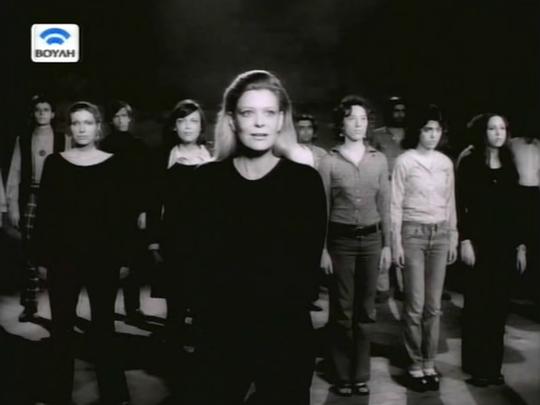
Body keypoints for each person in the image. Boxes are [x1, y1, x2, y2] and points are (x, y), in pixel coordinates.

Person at [185, 70, 327, 405]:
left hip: (284, 333)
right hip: (220, 333)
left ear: (281, 120)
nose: (260, 123)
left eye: (269, 112)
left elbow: (306, 269)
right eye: (248, 113)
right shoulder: (205, 181)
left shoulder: (303, 182)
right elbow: (194, 260)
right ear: (232, 120)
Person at [32, 101, 130, 405]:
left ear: (98, 127)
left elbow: (121, 217)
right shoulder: (55, 163)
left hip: (103, 258)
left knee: (104, 328)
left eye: (88, 122)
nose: (82, 128)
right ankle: (56, 394)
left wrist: (124, 258)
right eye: (76, 123)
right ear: (69, 128)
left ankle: (114, 395)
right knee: (61, 329)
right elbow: (45, 216)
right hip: (64, 258)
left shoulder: (114, 164)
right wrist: (41, 258)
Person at [318, 95, 391, 396]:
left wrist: (387, 245)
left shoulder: (379, 159)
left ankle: (360, 374)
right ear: (341, 124)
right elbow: (321, 209)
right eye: (351, 118)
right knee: (342, 310)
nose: (359, 123)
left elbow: (385, 205)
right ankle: (341, 374)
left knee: (366, 310)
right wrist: (323, 249)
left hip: (372, 240)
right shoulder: (329, 161)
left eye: (363, 118)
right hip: (341, 242)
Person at [391, 104, 457, 391]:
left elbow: (451, 202)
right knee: (415, 306)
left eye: (437, 130)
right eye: (427, 129)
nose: (433, 135)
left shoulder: (445, 163)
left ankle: (430, 362)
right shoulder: (404, 162)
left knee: (434, 306)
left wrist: (453, 235)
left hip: (440, 233)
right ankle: (414, 364)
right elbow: (395, 204)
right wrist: (396, 243)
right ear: (417, 131)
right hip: (413, 233)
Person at [457, 113, 526, 387]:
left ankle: (493, 366)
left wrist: (520, 246)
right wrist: (465, 240)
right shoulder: (470, 162)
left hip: (505, 245)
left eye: (502, 128)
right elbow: (461, 203)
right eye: (492, 128)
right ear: (482, 132)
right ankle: (477, 367)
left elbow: (517, 210)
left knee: (498, 306)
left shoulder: (509, 163)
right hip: (478, 244)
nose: (498, 133)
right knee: (478, 306)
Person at [147, 99, 212, 340]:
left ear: (201, 126)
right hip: (174, 240)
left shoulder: (213, 159)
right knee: (175, 304)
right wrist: (153, 242)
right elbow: (154, 203)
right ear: (174, 126)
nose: (187, 126)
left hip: (206, 241)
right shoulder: (163, 158)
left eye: (193, 121)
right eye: (182, 121)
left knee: (204, 305)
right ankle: (173, 352)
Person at [6, 95, 67, 322]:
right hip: (31, 197)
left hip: (57, 200)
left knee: (57, 250)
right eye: (38, 109)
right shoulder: (23, 140)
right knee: (30, 251)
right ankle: (29, 304)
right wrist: (13, 207)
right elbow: (14, 174)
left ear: (53, 114)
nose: (42, 113)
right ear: (33, 113)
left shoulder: (63, 139)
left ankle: (62, 306)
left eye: (46, 109)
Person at [101, 100, 150, 325]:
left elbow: (146, 182)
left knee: (133, 262)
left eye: (125, 116)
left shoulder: (138, 146)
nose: (122, 120)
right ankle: (106, 310)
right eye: (117, 116)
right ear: (111, 120)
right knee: (109, 261)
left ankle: (133, 309)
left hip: (132, 211)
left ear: (130, 119)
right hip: (109, 211)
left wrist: (143, 211)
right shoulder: (103, 146)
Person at [371, 96, 407, 303]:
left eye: (402, 110)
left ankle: (403, 285)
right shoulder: (378, 135)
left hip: (406, 191)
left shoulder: (411, 135)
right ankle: (382, 286)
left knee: (402, 235)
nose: (399, 114)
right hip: (385, 188)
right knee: (384, 234)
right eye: (396, 110)